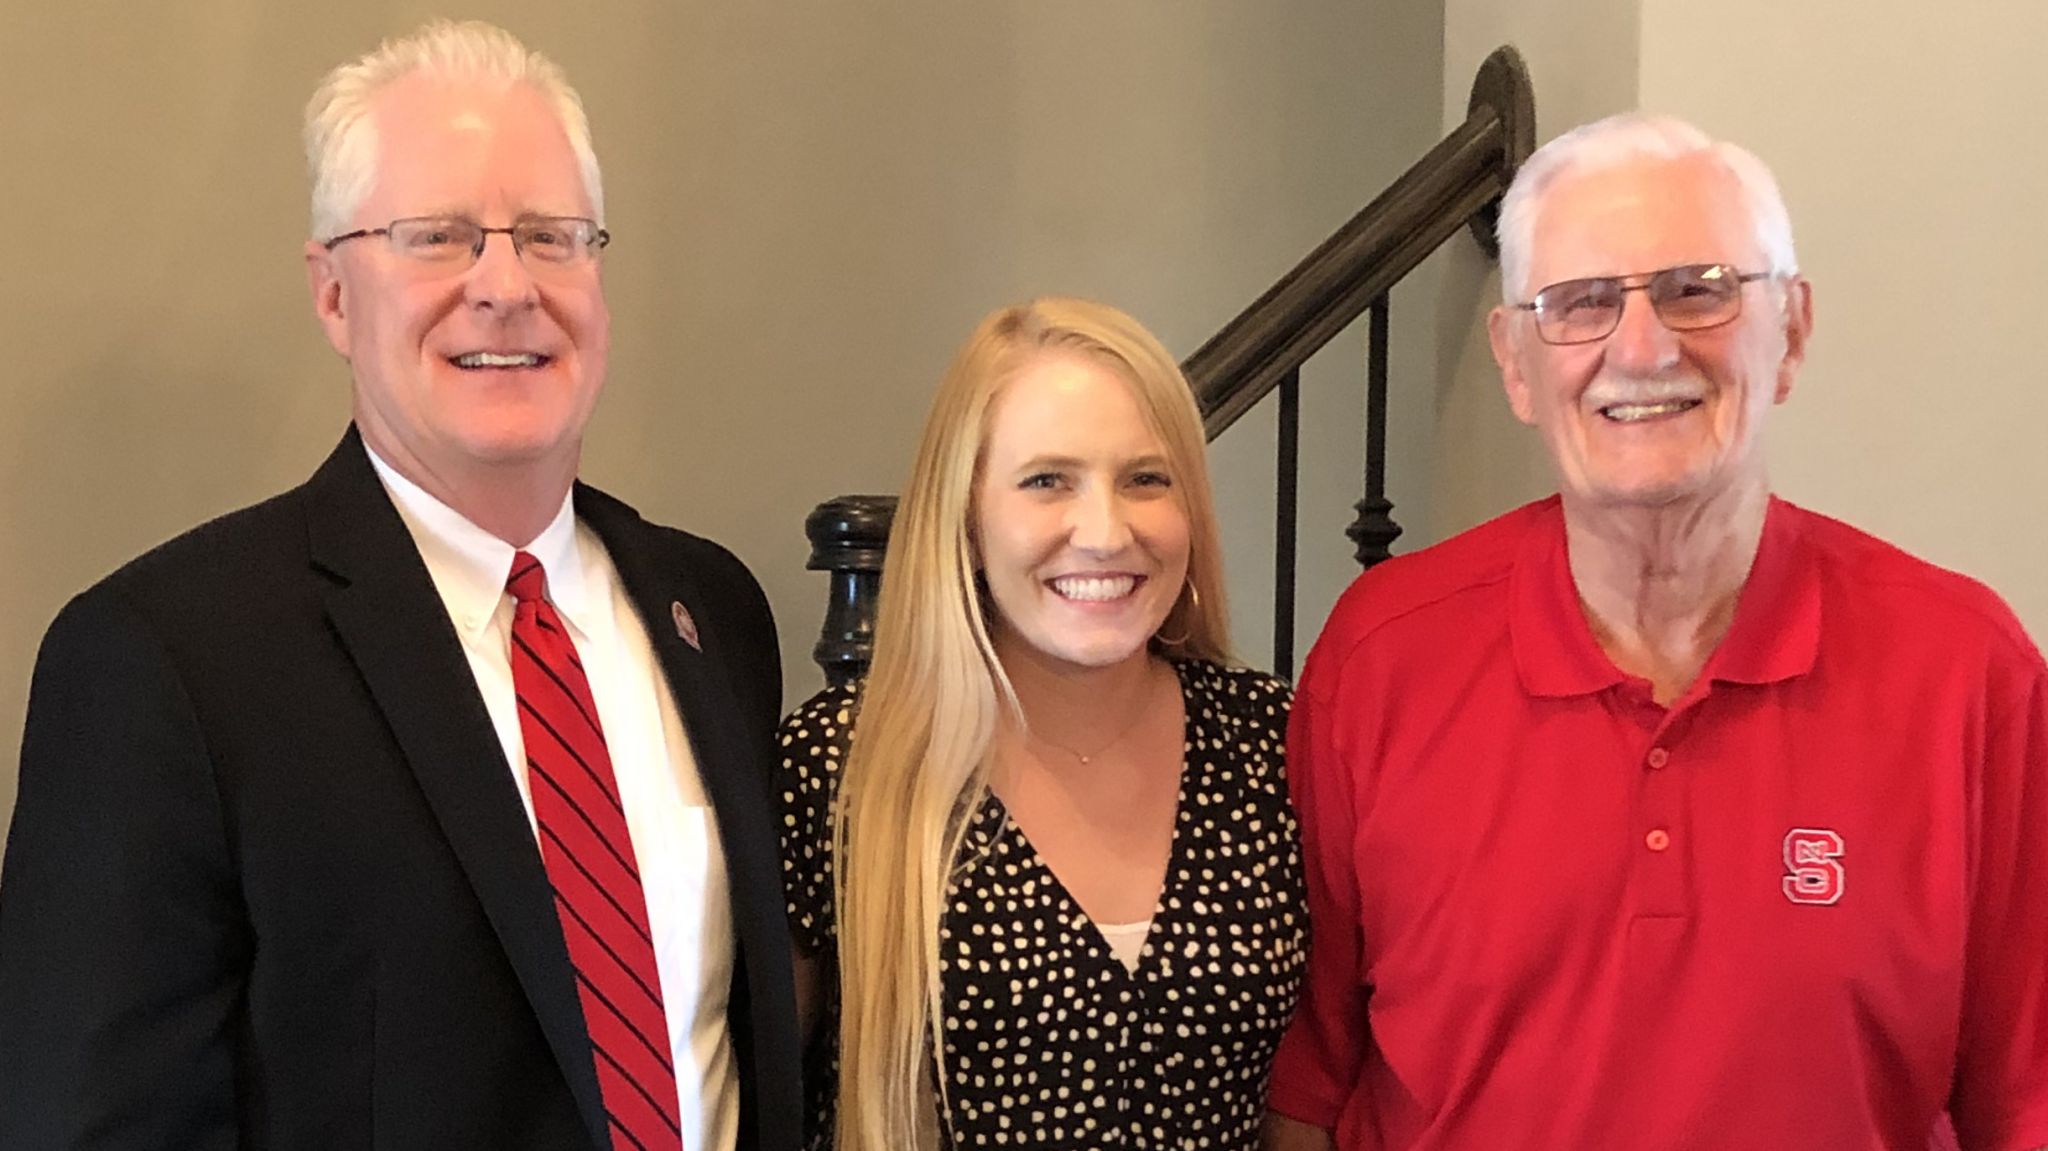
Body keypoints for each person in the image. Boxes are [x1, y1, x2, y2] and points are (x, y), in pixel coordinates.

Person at [0, 20, 800, 1151]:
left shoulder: (710, 612)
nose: (506, 286)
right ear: (333, 293)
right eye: (436, 238)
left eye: (551, 236)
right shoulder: (165, 663)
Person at [1260, 112, 2048, 1150]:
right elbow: (1306, 1087)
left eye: (1697, 289)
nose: (1640, 348)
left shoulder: (1963, 671)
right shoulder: (1381, 655)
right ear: (1513, 362)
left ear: (1791, 331)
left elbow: (2021, 1098)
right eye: (1580, 303)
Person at [775, 297, 1305, 1150]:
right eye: (1046, 480)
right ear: (969, 520)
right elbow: (759, 1097)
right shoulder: (837, 764)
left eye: (1146, 478)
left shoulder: (1271, 742)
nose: (1105, 531)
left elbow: (1308, 1096)